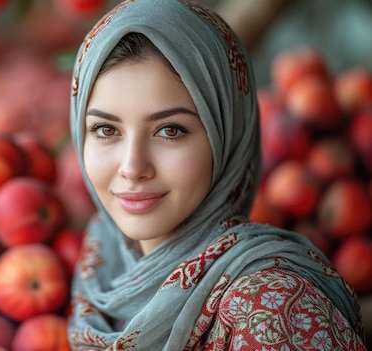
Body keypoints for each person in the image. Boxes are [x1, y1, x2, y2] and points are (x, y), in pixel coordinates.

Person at [67, 0, 367, 349]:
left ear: (226, 136)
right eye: (105, 129)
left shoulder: (274, 309)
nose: (133, 167)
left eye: (170, 131)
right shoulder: (102, 262)